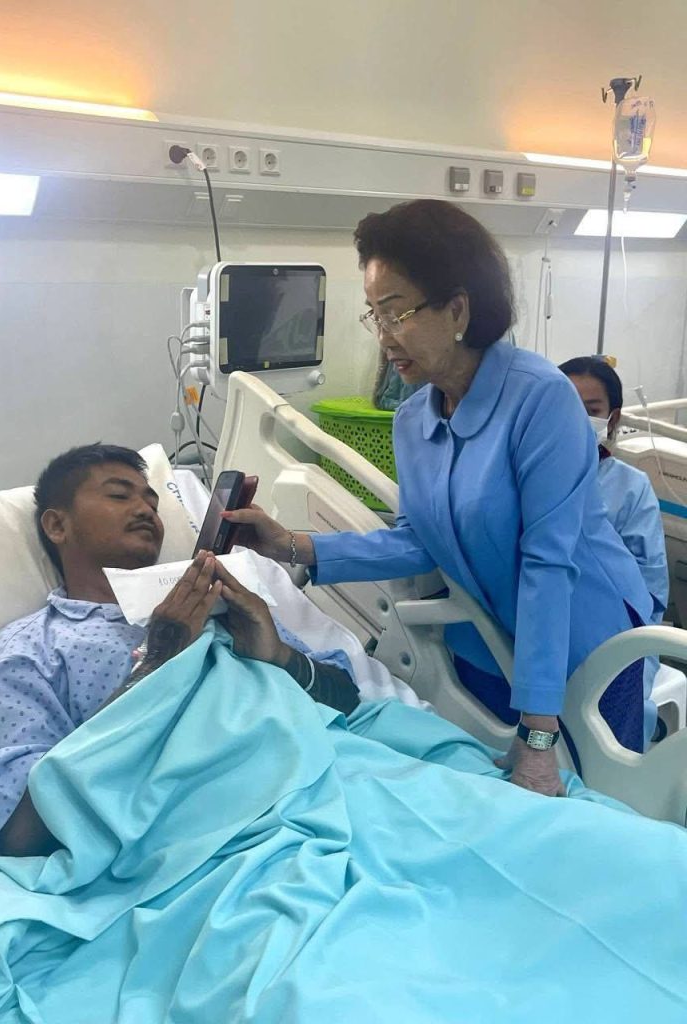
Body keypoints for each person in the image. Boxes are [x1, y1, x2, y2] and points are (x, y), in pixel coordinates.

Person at [224, 199, 654, 797]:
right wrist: (293, 546)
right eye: (374, 315)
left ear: (457, 309)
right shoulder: (414, 420)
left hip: (581, 645)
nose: (384, 337)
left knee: (600, 805)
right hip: (486, 647)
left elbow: (549, 565)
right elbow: (418, 542)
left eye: (396, 312)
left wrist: (538, 732)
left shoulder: (540, 399)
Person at [0, 444, 359, 858]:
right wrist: (157, 663)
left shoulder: (222, 600)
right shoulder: (25, 652)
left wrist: (279, 657)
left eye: (152, 502)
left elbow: (349, 703)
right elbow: (20, 836)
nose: (145, 510)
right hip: (207, 843)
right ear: (57, 525)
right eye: (119, 495)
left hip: (335, 787)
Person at [560, 355, 669, 743]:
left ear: (613, 417)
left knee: (607, 735)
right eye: (565, 406)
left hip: (615, 633)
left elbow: (649, 591)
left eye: (591, 410)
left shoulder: (629, 487)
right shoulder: (522, 476)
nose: (576, 420)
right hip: (537, 625)